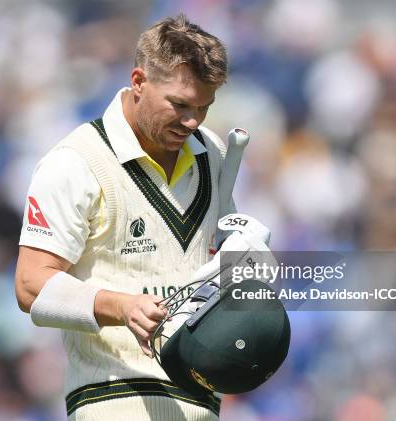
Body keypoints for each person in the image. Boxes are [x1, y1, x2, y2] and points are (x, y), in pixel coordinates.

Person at [15, 14, 233, 421]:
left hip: (202, 404)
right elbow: (30, 285)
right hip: (113, 398)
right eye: (180, 105)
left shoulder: (214, 153)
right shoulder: (75, 161)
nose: (192, 121)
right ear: (138, 81)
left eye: (204, 107)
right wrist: (122, 306)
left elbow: (218, 263)